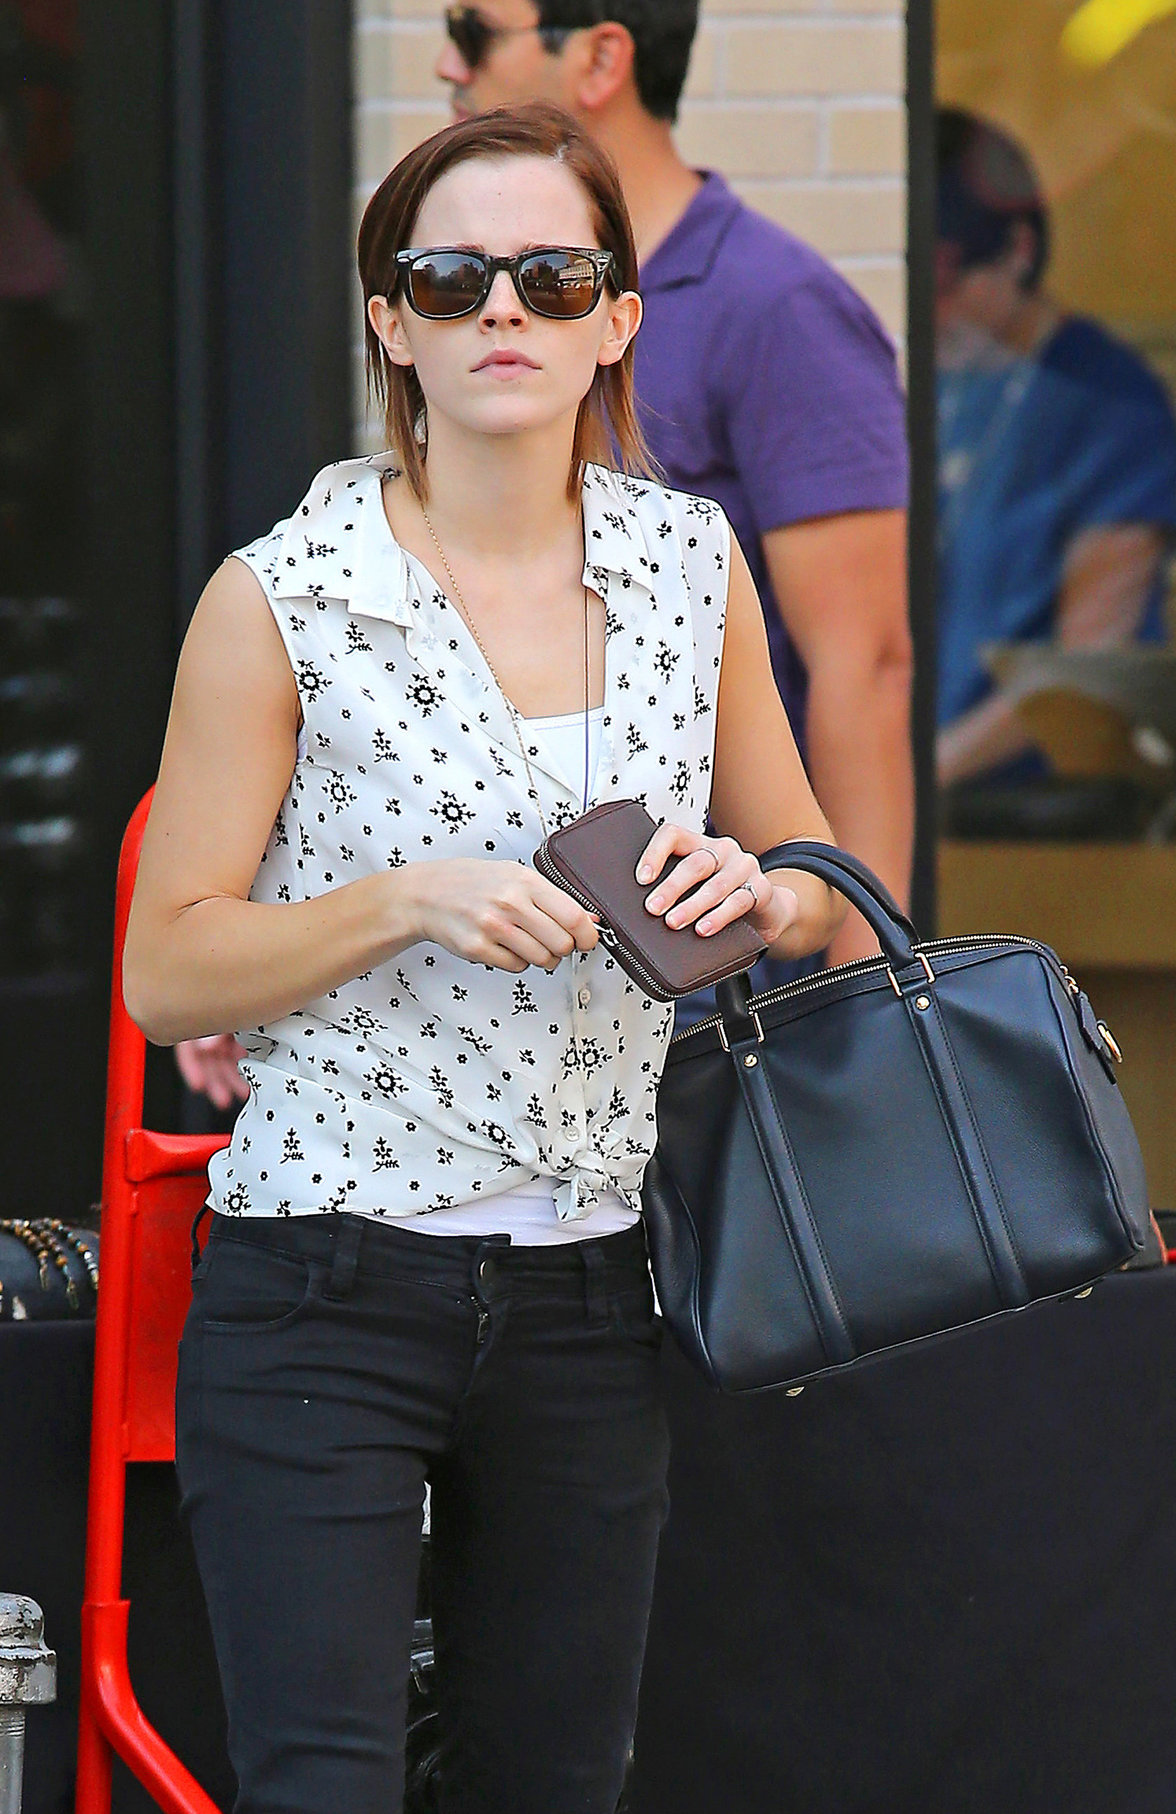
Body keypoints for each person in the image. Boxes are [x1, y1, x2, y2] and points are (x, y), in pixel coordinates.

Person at [122, 102, 843, 1814]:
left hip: (601, 1285)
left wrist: (757, 890)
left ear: (617, 319)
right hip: (323, 1279)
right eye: (451, 278)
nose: (500, 311)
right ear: (391, 320)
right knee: (323, 1779)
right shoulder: (281, 594)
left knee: (554, 1781)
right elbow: (168, 967)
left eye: (549, 272)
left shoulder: (689, 568)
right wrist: (402, 899)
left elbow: (821, 879)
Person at [435, 0, 914, 980]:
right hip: (503, 975)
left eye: (476, 30)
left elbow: (864, 664)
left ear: (602, 57)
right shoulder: (484, 324)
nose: (448, 62)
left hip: (723, 967)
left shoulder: (776, 307)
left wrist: (867, 1011)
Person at [936, 106, 1176, 788]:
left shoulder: (1110, 407)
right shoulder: (948, 380)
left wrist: (931, 770)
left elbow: (1088, 660)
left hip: (1036, 807)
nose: (934, 313)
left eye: (949, 283)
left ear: (1018, 251)